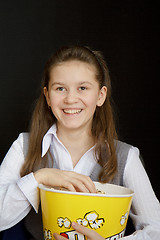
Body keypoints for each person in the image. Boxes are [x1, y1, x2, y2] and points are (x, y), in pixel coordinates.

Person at [0, 45, 160, 240]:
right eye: (60, 88)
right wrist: (39, 178)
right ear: (47, 96)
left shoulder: (126, 157)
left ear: (100, 96)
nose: (70, 99)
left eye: (82, 88)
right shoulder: (23, 147)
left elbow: (156, 229)